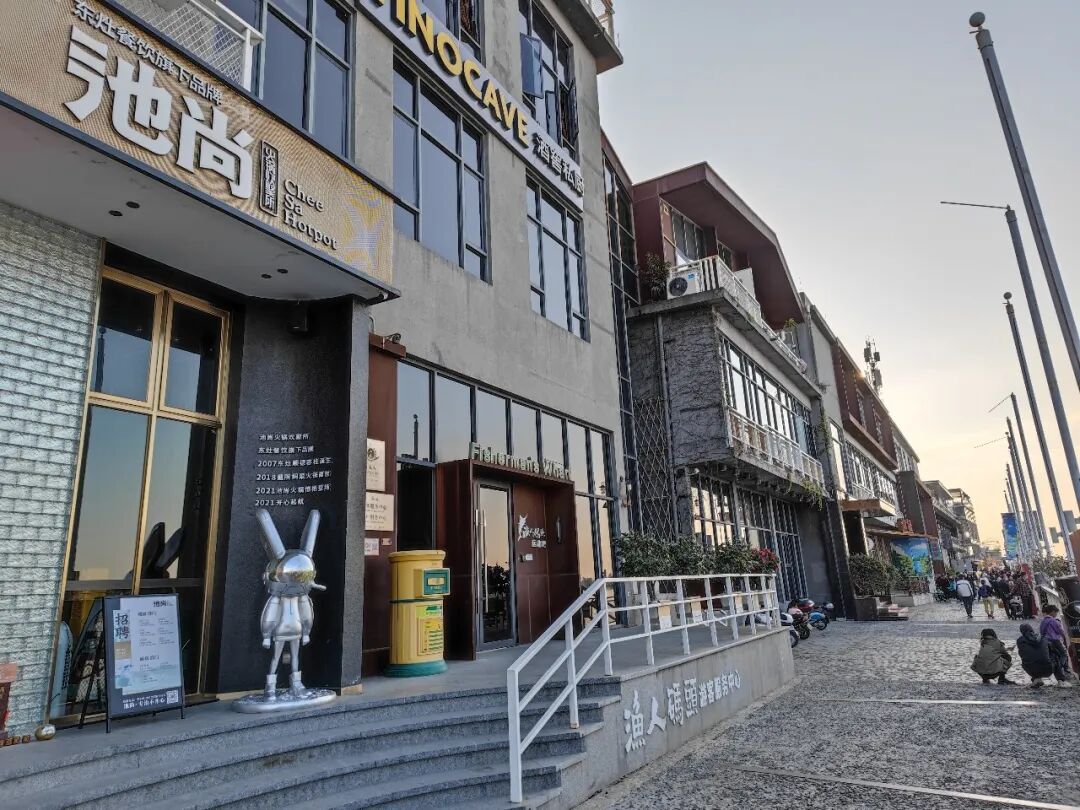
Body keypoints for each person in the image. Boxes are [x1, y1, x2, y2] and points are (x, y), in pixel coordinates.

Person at [1039, 605, 1074, 687]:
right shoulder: (1053, 621)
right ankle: (1060, 667)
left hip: (1046, 641)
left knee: (1054, 656)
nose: (1056, 614)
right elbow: (1060, 631)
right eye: (1055, 612)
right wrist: (1065, 637)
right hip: (1055, 640)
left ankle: (1057, 668)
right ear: (1052, 612)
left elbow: (1041, 631)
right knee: (1063, 654)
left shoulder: (1043, 621)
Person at [1016, 623, 1055, 687]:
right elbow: (1052, 650)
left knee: (1027, 659)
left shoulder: (1020, 641)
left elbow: (1022, 654)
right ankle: (1061, 680)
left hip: (1031, 669)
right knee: (1055, 655)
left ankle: (1036, 678)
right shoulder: (1043, 637)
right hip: (1048, 668)